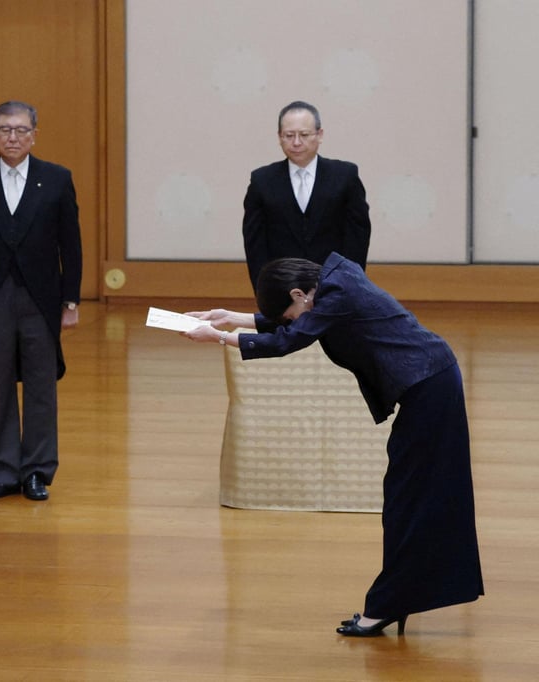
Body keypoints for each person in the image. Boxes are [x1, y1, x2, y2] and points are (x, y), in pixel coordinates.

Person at [181, 253, 484, 636]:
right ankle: (395, 600)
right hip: (430, 383)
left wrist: (220, 337)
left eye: (288, 312)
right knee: (409, 497)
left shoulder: (337, 294)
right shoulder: (334, 282)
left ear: (298, 293)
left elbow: (291, 338)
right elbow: (300, 321)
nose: (291, 318)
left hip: (429, 387)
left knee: (410, 498)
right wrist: (231, 316)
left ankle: (389, 604)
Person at [0, 100, 83, 501]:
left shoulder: (57, 179)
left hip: (41, 297)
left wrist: (70, 301)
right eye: (5, 129)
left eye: (21, 130)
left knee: (42, 384)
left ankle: (38, 470)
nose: (13, 137)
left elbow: (70, 245)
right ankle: (3, 471)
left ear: (34, 134)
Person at [242, 101, 371, 293]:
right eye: (289, 135)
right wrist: (266, 293)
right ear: (279, 137)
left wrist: (349, 288)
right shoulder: (262, 181)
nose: (296, 142)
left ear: (319, 135)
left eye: (304, 135)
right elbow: (255, 246)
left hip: (336, 288)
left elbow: (358, 238)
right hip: (282, 291)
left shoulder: (345, 176)